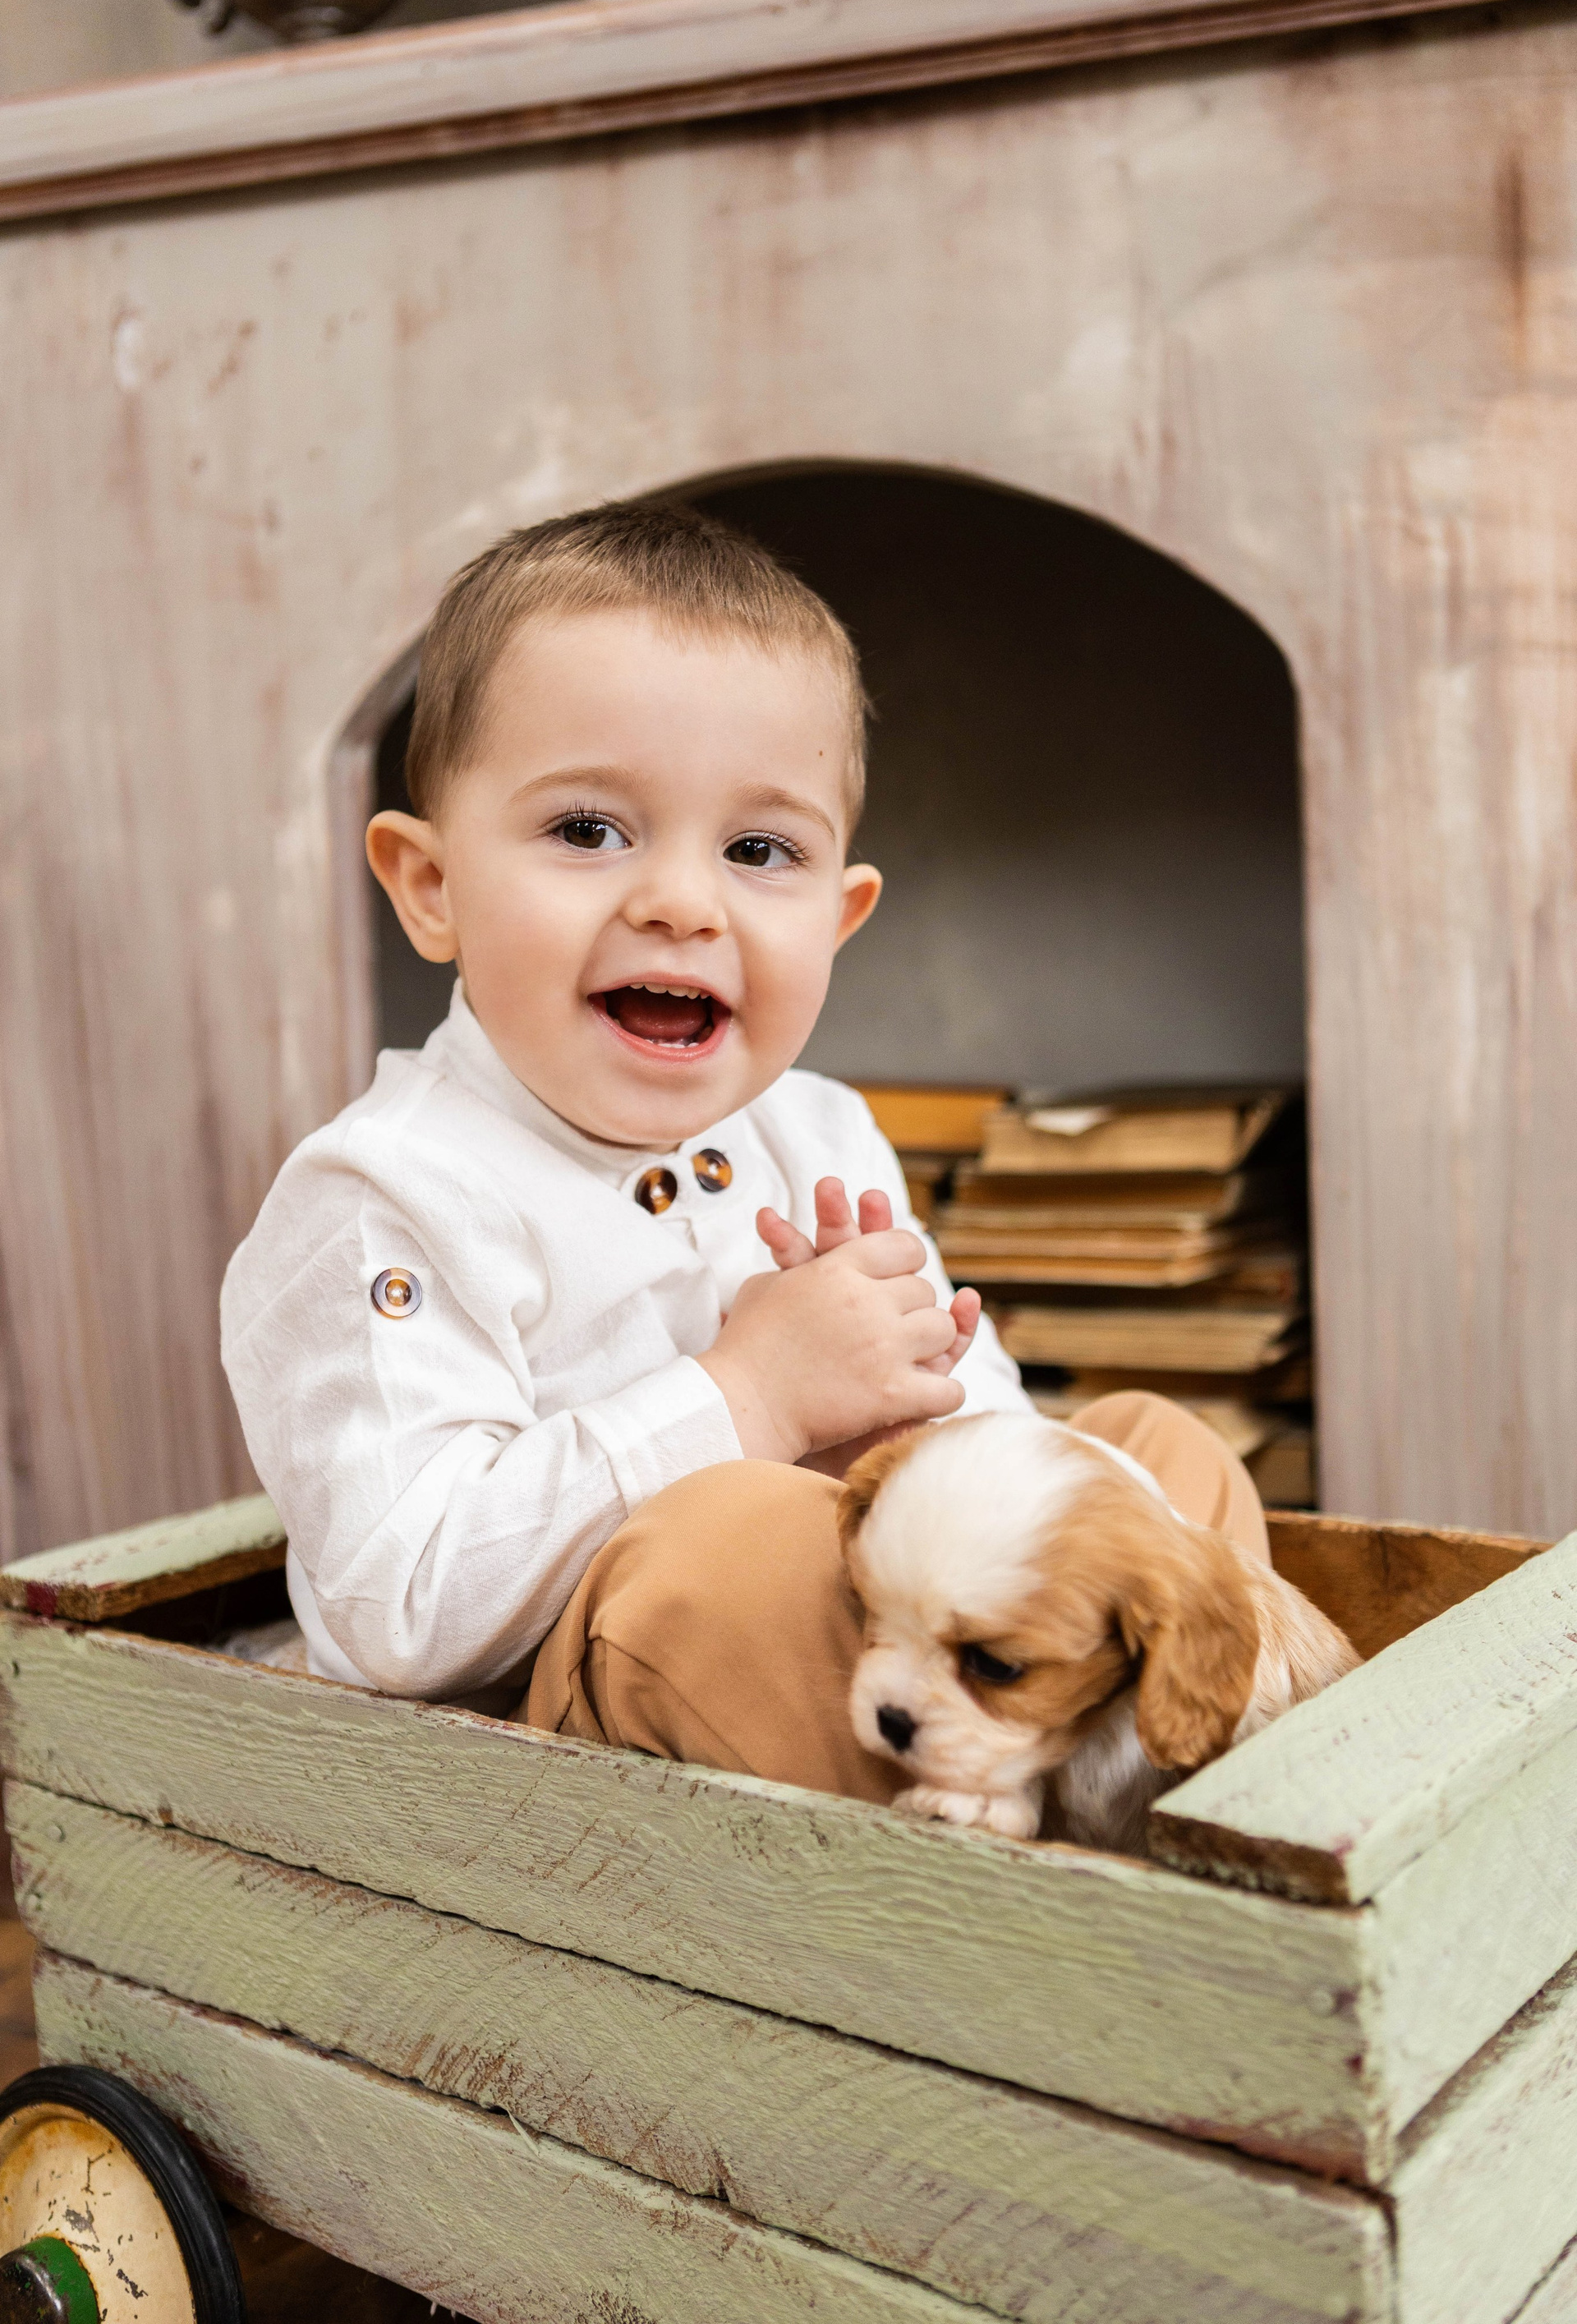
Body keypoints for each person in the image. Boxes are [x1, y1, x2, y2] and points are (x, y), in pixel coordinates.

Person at [221, 501, 1266, 1806]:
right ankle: (1049, 1840)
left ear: (839, 918)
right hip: (545, 1754)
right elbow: (404, 1607)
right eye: (587, 830)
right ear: (431, 888)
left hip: (898, 1663)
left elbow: (995, 1459)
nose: (681, 901)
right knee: (712, 1543)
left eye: (759, 850)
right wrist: (750, 1399)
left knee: (1149, 1454)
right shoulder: (386, 1196)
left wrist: (916, 1434)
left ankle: (1171, 1798)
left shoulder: (817, 1132)